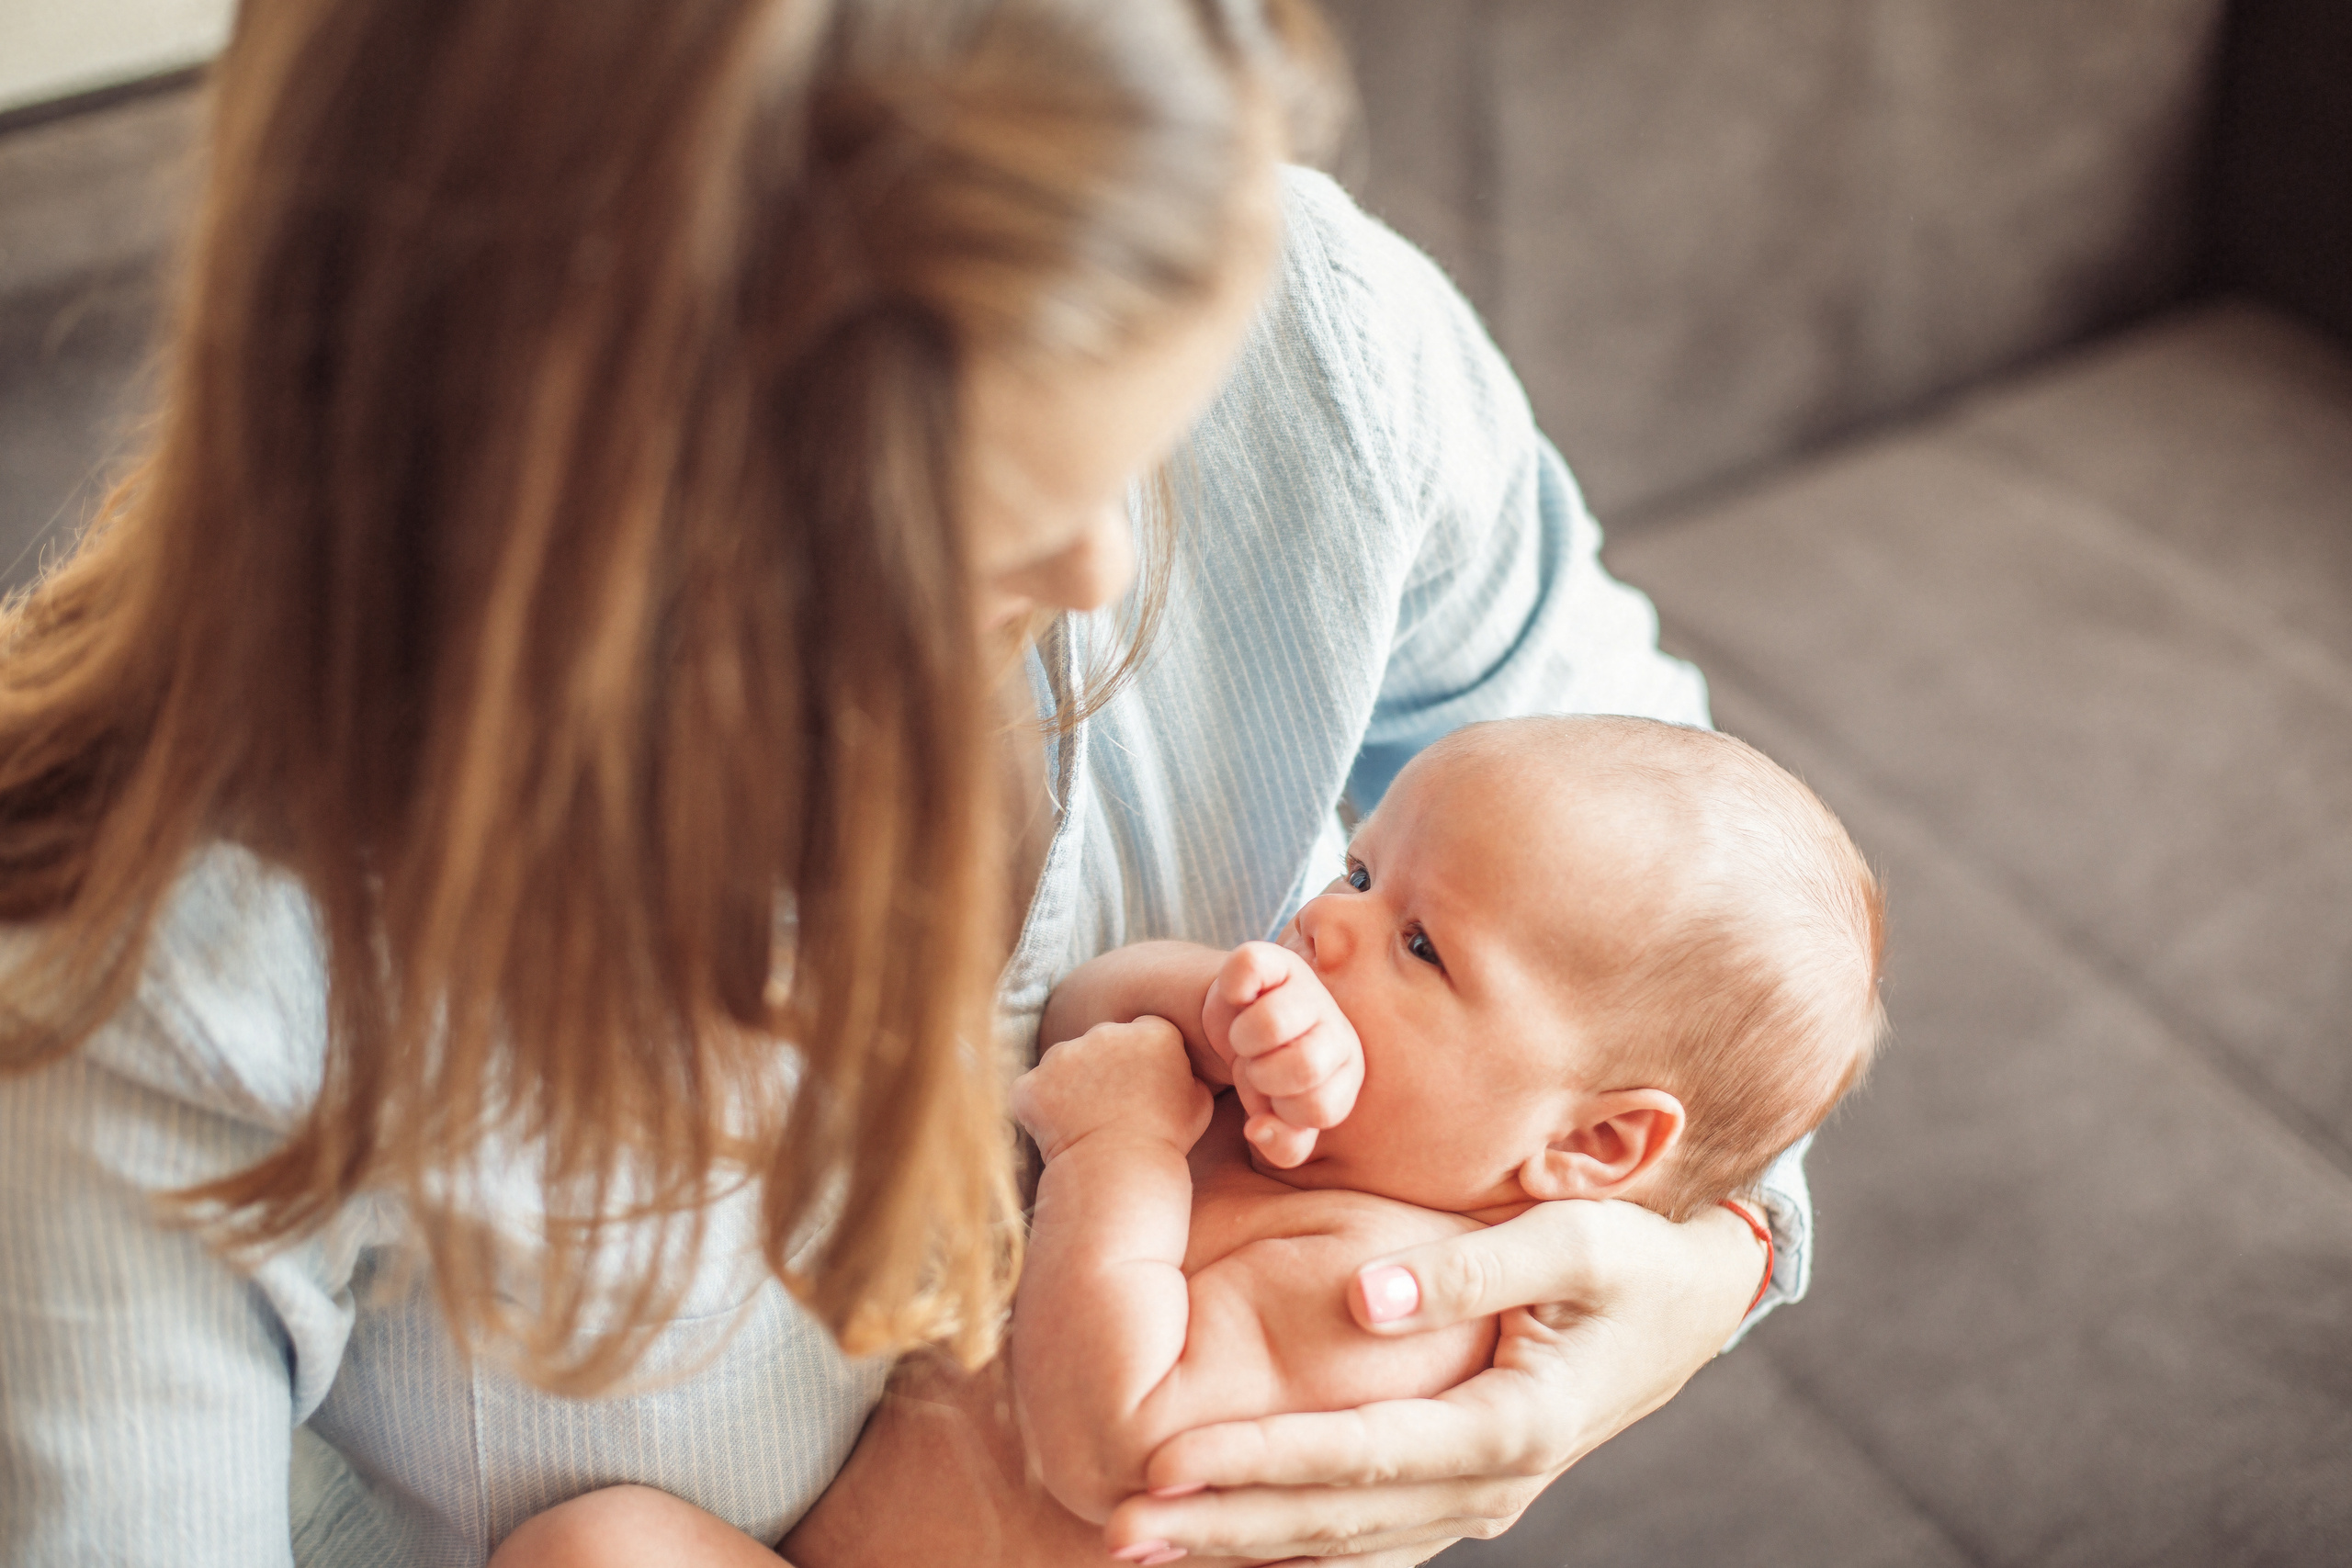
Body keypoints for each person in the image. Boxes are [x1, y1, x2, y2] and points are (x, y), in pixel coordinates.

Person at [0, 4, 1813, 1566]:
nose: (1105, 567)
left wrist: (1699, 1273)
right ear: (579, 472)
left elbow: (1689, 899)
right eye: (965, 496)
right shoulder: (159, 1013)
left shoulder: (1314, 340)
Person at [486, 716, 1879, 1567]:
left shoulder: (1396, 1303)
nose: (1325, 923)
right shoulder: (1318, 1124)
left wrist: (1117, 1155)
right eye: (1357, 865)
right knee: (589, 1549)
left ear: (1593, 1143)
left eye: (1420, 945)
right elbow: (1085, 1032)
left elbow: (1123, 1447)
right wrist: (1200, 1010)